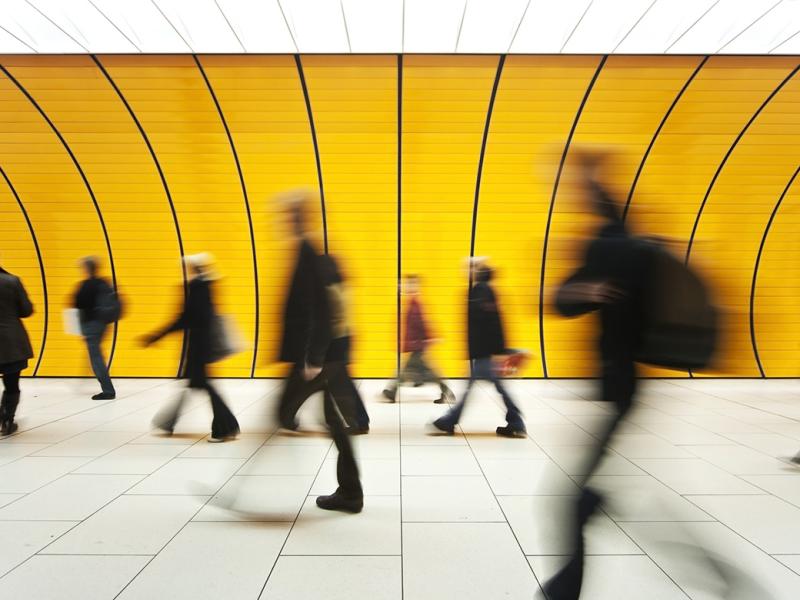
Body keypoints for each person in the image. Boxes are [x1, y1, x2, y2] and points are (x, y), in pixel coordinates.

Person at [542, 161, 652, 600]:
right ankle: (593, 508)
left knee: (568, 499)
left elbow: (559, 301)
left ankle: (565, 591)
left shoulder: (605, 248)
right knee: (578, 493)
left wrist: (585, 291)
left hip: (616, 383)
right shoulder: (640, 247)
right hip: (627, 383)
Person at [276, 191, 363, 512]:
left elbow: (323, 312)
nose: (283, 221)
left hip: (320, 356)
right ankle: (351, 493)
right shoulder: (313, 253)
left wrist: (312, 358)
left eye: (288, 215)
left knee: (286, 413)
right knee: (333, 421)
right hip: (325, 354)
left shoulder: (310, 254)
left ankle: (351, 493)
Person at [142, 253, 240, 443]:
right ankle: (167, 422)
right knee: (194, 384)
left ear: (192, 268)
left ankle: (225, 427)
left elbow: (186, 318)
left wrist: (156, 336)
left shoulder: (196, 287)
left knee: (203, 385)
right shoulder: (206, 285)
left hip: (198, 347)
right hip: (201, 345)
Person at [430, 262, 525, 438]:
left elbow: (488, 324)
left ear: (479, 273)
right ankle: (516, 422)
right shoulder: (483, 291)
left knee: (477, 389)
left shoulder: (481, 292)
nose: (467, 270)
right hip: (484, 352)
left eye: (471, 268)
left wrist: (495, 351)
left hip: (484, 352)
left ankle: (450, 421)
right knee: (493, 387)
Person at [382, 274, 454, 404]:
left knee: (407, 371)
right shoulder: (412, 302)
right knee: (426, 371)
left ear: (417, 286)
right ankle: (446, 391)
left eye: (411, 284)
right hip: (416, 345)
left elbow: (422, 324)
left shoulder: (415, 304)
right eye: (408, 284)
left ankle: (391, 391)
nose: (408, 286)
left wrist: (430, 338)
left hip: (417, 345)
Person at [74, 256, 116, 400]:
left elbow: (78, 305)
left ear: (87, 268)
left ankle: (108, 390)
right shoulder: (104, 283)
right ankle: (102, 382)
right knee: (96, 354)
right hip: (103, 324)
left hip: (91, 325)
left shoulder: (86, 285)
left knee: (96, 357)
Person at [0, 264, 34, 436]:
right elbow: (26, 310)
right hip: (10, 342)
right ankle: (7, 420)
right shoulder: (12, 281)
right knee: (11, 384)